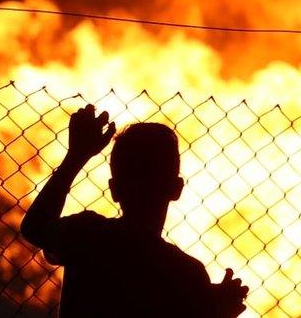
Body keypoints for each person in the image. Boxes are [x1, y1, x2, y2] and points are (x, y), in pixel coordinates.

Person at [20, 104, 249, 317]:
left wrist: (76, 156)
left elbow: (35, 227)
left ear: (114, 190)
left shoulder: (90, 235)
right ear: (176, 189)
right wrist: (213, 310)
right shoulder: (186, 274)